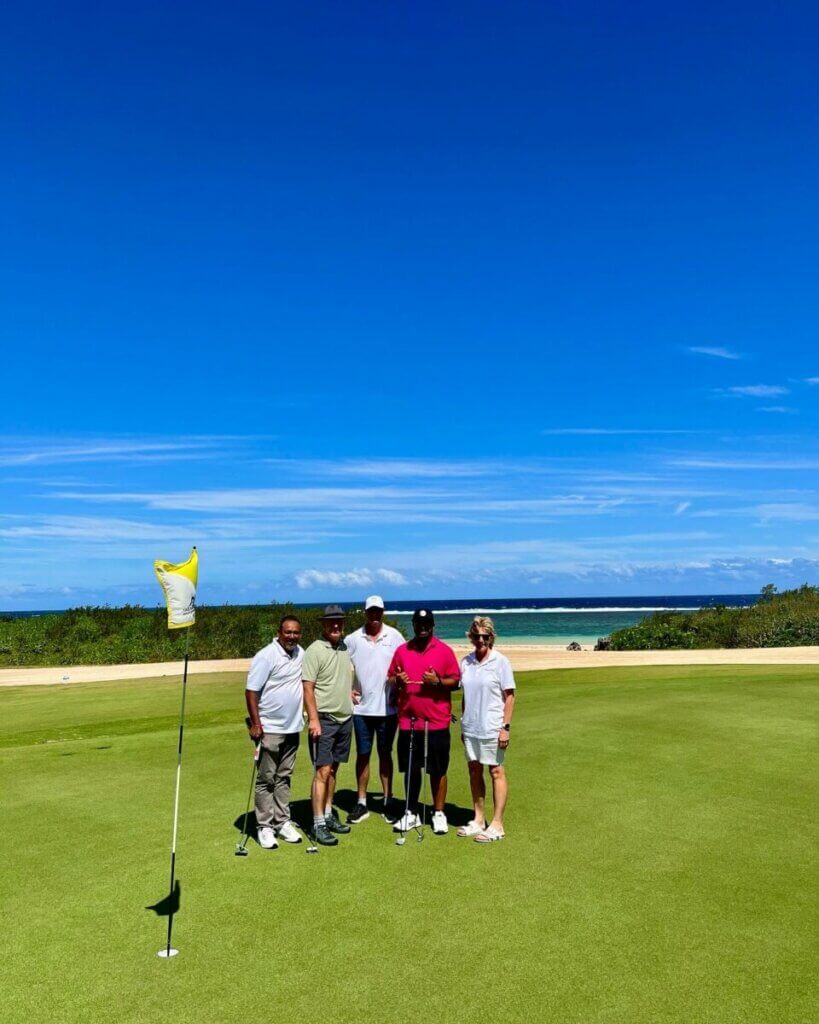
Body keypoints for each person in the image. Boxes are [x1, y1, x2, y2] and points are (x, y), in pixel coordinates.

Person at [388, 608, 460, 835]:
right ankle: (411, 812)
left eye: (427, 624)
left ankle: (438, 812)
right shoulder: (402, 651)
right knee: (411, 769)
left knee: (438, 769)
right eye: (419, 624)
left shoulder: (444, 651)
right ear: (413, 625)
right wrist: (398, 680)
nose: (423, 627)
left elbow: (456, 682)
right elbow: (391, 678)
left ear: (432, 625)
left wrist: (437, 681)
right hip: (409, 721)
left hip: (436, 721)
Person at [244, 615, 306, 849]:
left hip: (293, 727)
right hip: (270, 728)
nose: (292, 636)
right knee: (266, 779)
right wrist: (256, 724)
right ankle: (264, 826)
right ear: (279, 632)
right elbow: (251, 691)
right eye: (288, 632)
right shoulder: (266, 655)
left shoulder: (302, 653)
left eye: (296, 633)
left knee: (284, 777)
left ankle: (282, 822)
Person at [302, 605, 359, 846]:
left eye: (339, 622)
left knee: (334, 770)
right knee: (322, 772)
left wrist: (349, 693)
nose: (336, 626)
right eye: (331, 622)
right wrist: (313, 719)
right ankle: (317, 824)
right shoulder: (315, 650)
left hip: (345, 718)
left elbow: (338, 678)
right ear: (323, 625)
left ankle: (327, 814)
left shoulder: (344, 648)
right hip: (324, 720)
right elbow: (308, 687)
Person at [344, 595, 404, 823]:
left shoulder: (395, 636)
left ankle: (387, 800)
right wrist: (345, 690)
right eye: (371, 611)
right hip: (361, 710)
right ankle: (361, 802)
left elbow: (404, 663)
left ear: (383, 612)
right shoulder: (353, 639)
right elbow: (338, 663)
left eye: (378, 611)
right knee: (363, 754)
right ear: (365, 612)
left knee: (385, 754)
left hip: (388, 710)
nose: (375, 615)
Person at [457, 616, 516, 842]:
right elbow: (465, 696)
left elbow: (509, 696)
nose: (481, 640)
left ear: (491, 638)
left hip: (493, 726)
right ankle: (478, 819)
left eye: (485, 636)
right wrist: (463, 723)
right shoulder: (466, 662)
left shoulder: (501, 662)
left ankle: (497, 824)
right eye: (477, 636)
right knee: (474, 770)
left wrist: (505, 728)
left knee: (495, 771)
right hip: (471, 726)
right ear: (471, 637)